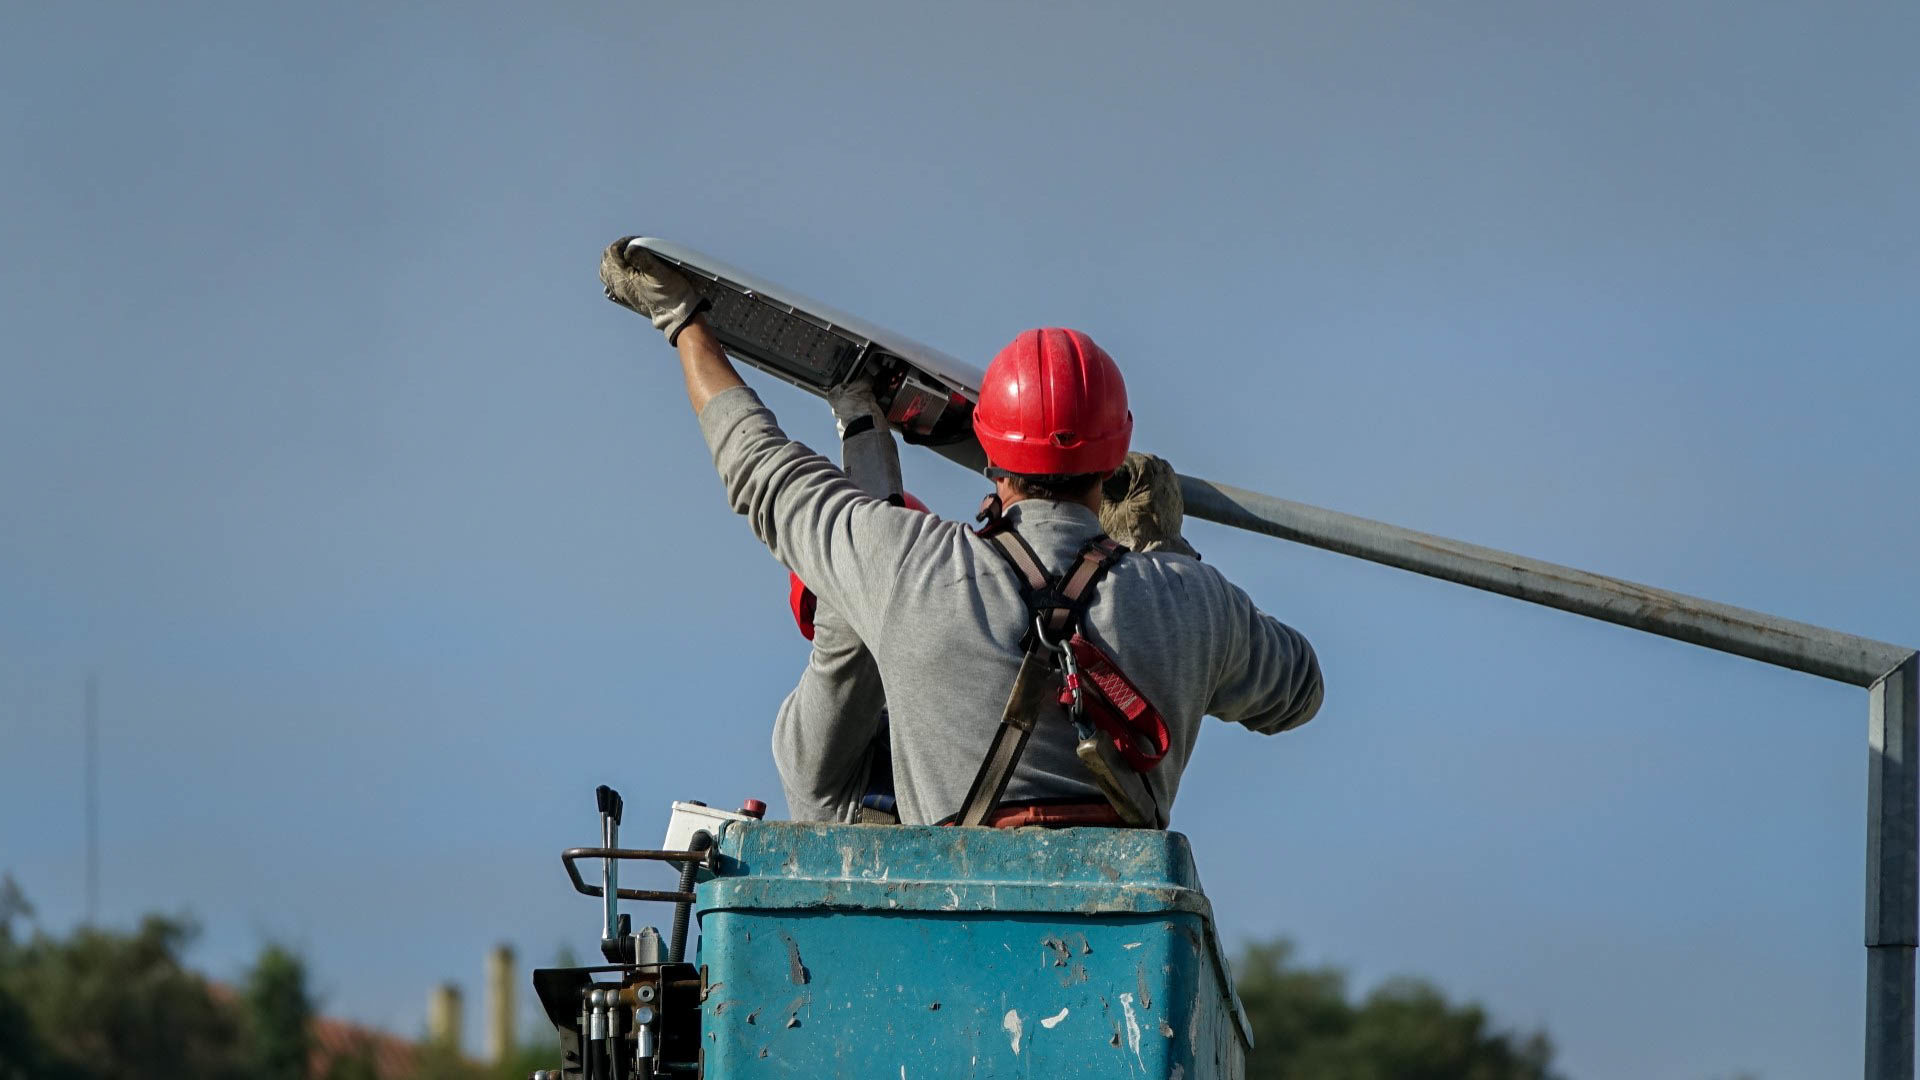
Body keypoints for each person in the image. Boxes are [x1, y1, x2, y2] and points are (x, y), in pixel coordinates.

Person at [602, 239, 1323, 827]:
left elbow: (758, 467)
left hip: (955, 948)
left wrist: (684, 324)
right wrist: (1165, 551)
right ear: (1115, 454)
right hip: (1119, 958)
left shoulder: (910, 571)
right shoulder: (1193, 602)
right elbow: (1300, 690)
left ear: (989, 453)